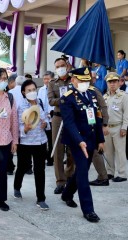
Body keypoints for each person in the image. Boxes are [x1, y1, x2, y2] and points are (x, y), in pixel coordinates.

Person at [60, 67, 105, 223]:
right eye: (81, 80)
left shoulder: (92, 94)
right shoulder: (67, 98)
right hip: (76, 141)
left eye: (87, 80)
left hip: (91, 138)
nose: (85, 83)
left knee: (82, 169)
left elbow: (96, 118)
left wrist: (100, 140)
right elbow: (69, 123)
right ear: (73, 80)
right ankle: (88, 210)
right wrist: (79, 141)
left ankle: (66, 194)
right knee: (84, 175)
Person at [13, 79, 49, 211]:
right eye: (29, 90)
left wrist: (46, 124)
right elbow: (18, 126)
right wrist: (26, 129)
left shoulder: (40, 103)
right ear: (23, 92)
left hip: (40, 141)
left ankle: (41, 198)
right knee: (23, 166)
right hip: (26, 143)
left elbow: (45, 119)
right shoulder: (20, 106)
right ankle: (17, 186)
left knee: (40, 170)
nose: (32, 92)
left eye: (34, 89)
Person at [0, 68, 18, 211]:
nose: (2, 81)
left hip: (6, 140)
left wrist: (15, 141)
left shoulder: (11, 98)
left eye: (4, 79)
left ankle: (1, 199)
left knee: (2, 173)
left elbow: (14, 121)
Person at [48, 58, 74, 194]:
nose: (60, 68)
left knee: (72, 150)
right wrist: (64, 99)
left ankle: (69, 176)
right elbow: (51, 101)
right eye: (57, 66)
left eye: (62, 66)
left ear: (67, 66)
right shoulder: (52, 83)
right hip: (58, 118)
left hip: (72, 118)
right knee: (58, 150)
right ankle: (60, 181)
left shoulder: (74, 80)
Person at [103, 72, 128, 182]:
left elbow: (126, 113)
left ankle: (122, 174)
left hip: (118, 127)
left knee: (120, 151)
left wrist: (124, 127)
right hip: (107, 128)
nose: (112, 84)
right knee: (108, 151)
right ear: (107, 84)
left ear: (119, 83)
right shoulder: (105, 97)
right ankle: (110, 172)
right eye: (110, 82)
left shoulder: (123, 96)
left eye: (114, 82)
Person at [38, 71, 55, 166]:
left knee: (51, 139)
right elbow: (39, 102)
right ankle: (44, 157)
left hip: (52, 118)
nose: (46, 81)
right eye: (44, 79)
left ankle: (51, 159)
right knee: (44, 139)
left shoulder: (55, 88)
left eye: (48, 79)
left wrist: (50, 112)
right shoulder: (41, 90)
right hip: (43, 119)